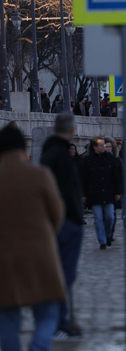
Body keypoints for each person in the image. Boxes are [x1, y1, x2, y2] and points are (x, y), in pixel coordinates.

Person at [0, 125, 66, 351]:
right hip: (40, 255)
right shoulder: (39, 175)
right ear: (22, 148)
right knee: (49, 310)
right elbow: (57, 213)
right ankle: (38, 347)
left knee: (7, 317)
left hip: (3, 259)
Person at [39, 114, 84, 340]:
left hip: (61, 222)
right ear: (73, 129)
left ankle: (61, 321)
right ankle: (58, 323)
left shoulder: (50, 153)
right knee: (63, 276)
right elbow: (63, 192)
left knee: (63, 275)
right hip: (65, 223)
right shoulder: (61, 155)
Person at [82, 137, 122, 250]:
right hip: (94, 193)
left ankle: (108, 235)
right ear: (94, 147)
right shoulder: (88, 160)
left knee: (110, 217)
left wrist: (118, 191)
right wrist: (84, 194)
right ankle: (102, 240)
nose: (104, 147)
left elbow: (116, 176)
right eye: (101, 145)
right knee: (98, 218)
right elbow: (84, 178)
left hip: (109, 192)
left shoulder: (110, 158)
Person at [104, 137, 123, 243]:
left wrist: (120, 191)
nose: (108, 149)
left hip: (113, 190)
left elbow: (120, 175)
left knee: (112, 215)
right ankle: (104, 235)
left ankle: (110, 233)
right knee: (102, 216)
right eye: (106, 146)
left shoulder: (116, 160)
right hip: (101, 190)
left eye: (110, 146)